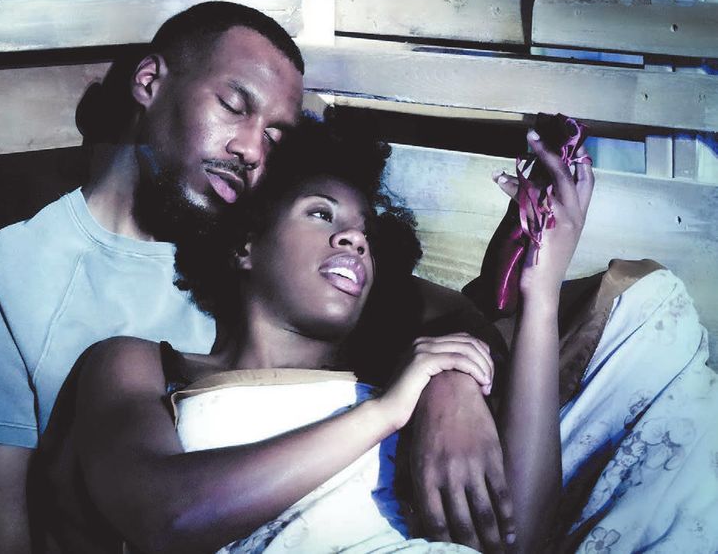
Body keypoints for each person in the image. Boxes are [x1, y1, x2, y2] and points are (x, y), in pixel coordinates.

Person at [0, 1, 510, 553]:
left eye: (275, 134)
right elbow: (2, 543)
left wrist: (449, 393)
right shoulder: (0, 287)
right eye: (234, 105)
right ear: (149, 82)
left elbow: (455, 317)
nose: (252, 150)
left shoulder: (260, 250)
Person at [31, 114, 591, 553]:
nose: (355, 239)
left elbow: (517, 539)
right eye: (322, 214)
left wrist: (540, 294)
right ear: (245, 245)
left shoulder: (397, 379)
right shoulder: (139, 366)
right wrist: (386, 414)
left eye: (366, 233)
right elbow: (165, 516)